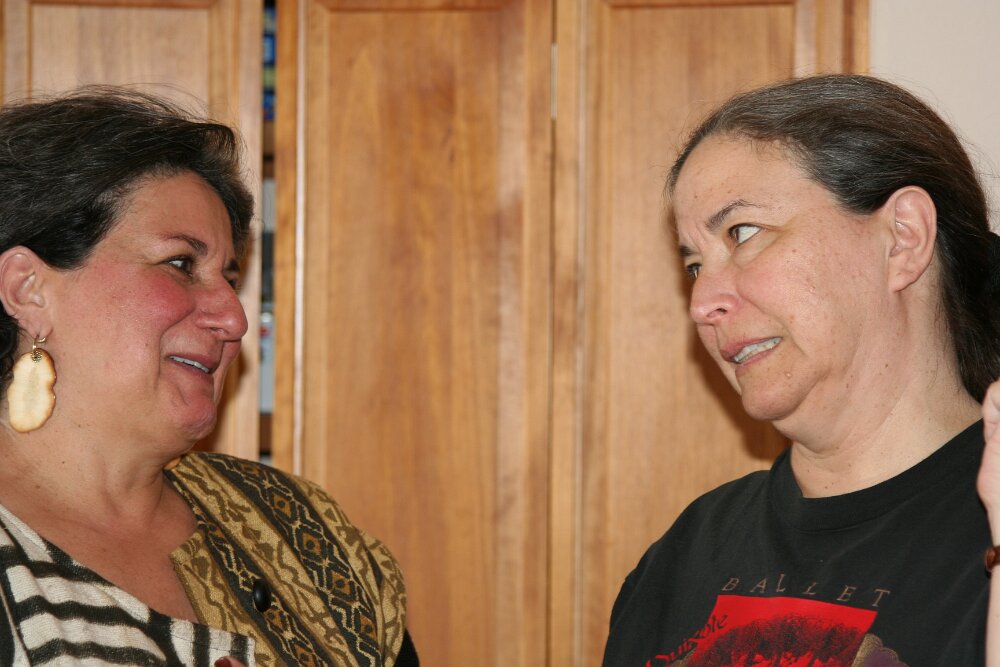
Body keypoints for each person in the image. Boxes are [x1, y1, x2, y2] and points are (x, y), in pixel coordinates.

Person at [0, 87, 418, 666]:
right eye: (180, 264)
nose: (234, 318)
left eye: (230, 277)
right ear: (27, 289)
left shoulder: (300, 529)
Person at [601, 74, 1000, 666]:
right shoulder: (686, 552)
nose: (702, 303)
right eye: (694, 265)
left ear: (903, 238)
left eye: (743, 233)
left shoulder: (992, 525)